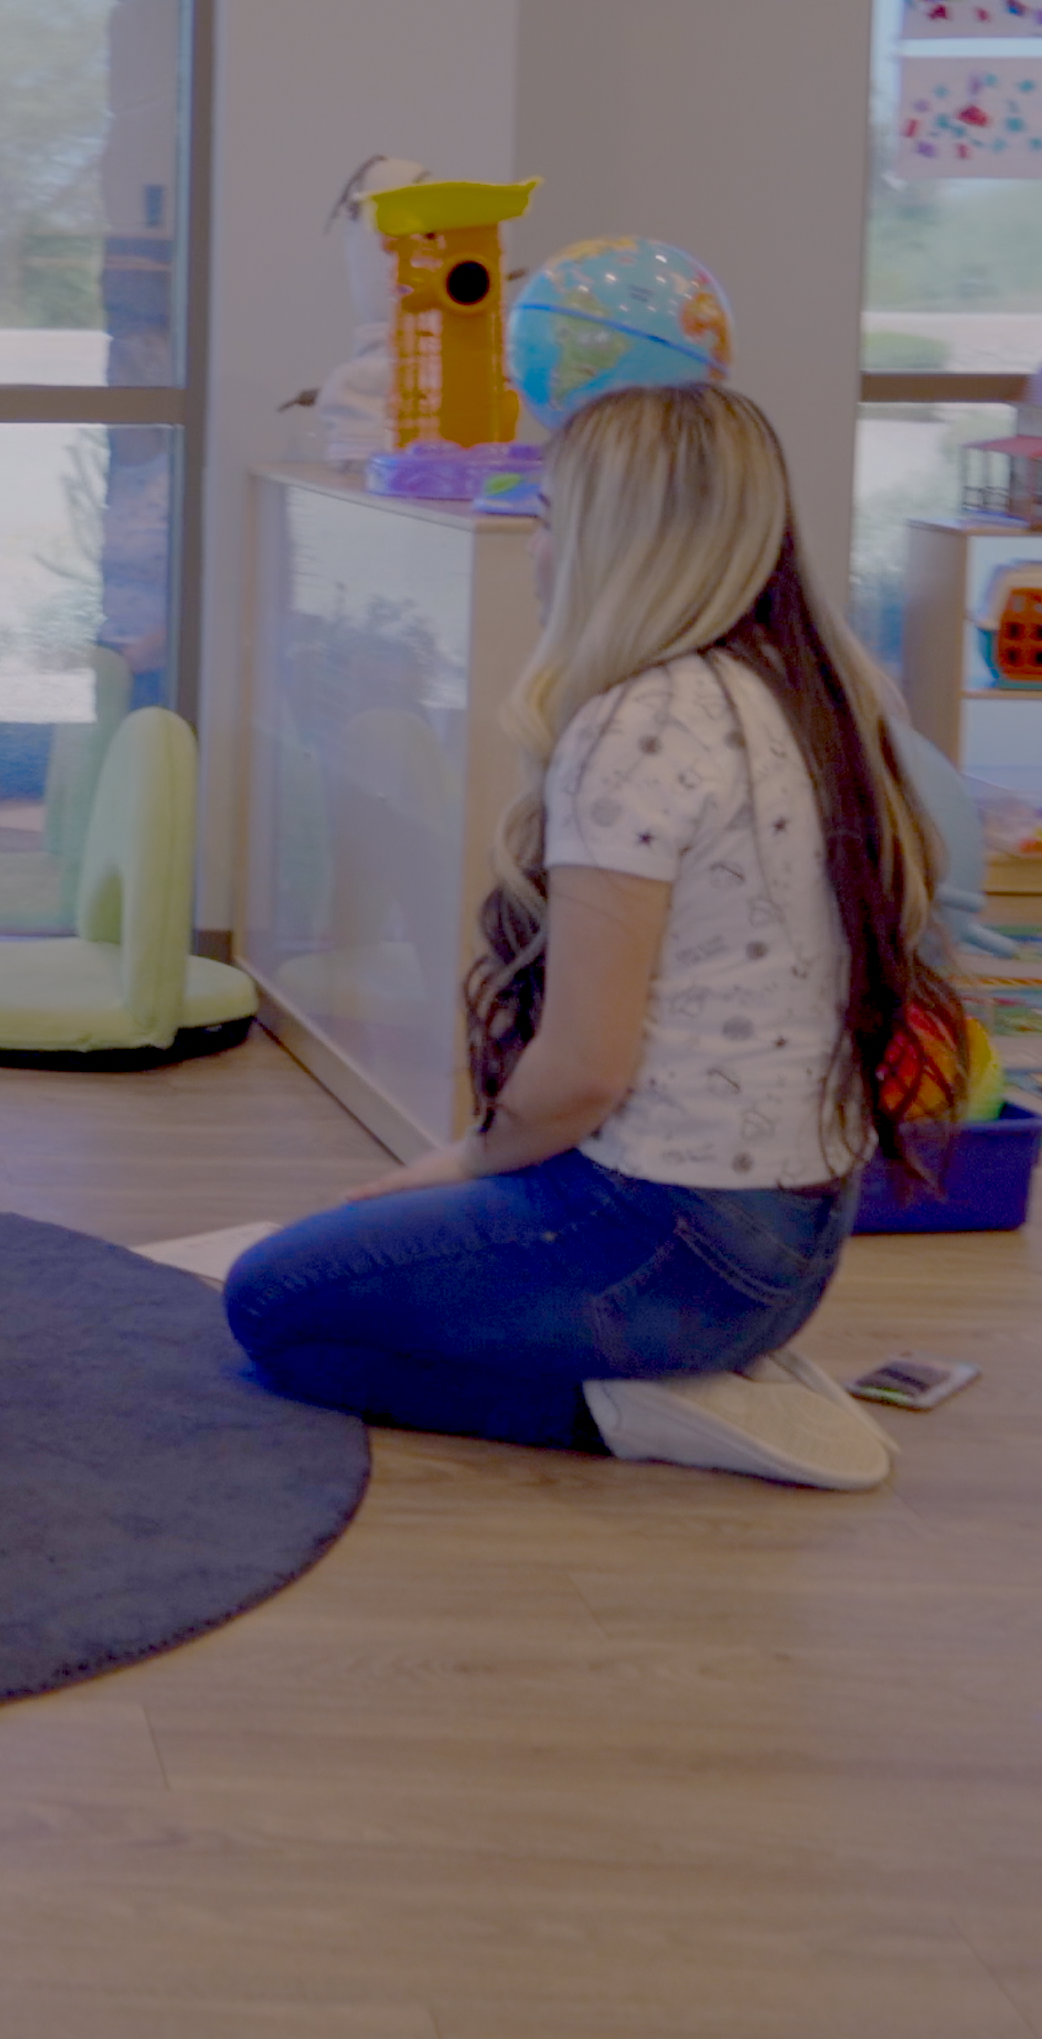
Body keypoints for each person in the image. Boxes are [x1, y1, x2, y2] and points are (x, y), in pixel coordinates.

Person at [221, 385, 958, 1490]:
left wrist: (451, 1164)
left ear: (614, 541)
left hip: (669, 1246)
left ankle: (632, 1411)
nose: (535, 542)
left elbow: (582, 1071)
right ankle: (703, 1372)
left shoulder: (639, 723)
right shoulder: (812, 698)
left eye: (550, 514)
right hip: (792, 1250)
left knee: (271, 1307)